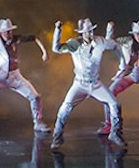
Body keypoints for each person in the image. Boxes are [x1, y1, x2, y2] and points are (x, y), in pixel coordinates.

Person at [50, 19, 125, 150]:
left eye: (91, 31)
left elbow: (114, 45)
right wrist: (58, 30)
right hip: (80, 84)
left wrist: (122, 65)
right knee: (65, 108)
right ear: (81, 33)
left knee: (114, 104)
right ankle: (57, 136)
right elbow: (56, 48)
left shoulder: (100, 41)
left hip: (95, 84)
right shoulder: (74, 44)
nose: (89, 34)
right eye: (86, 32)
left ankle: (115, 133)